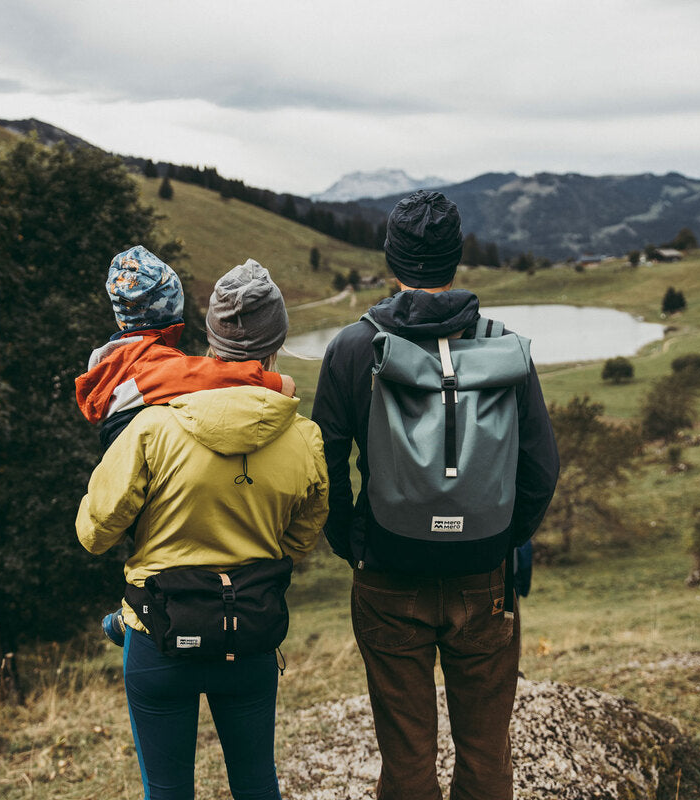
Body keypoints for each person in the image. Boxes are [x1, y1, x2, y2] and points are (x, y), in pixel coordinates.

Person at [311, 191, 559, 800]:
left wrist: (356, 544)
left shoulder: (351, 346)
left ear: (392, 259)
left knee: (406, 757)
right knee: (485, 754)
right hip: (484, 577)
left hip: (388, 573)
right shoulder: (506, 347)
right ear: (457, 258)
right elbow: (541, 470)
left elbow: (324, 465)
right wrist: (499, 538)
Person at [77, 259, 328, 800]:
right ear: (276, 343)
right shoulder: (305, 437)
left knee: (166, 793)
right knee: (258, 785)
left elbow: (94, 534)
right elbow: (299, 543)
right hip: (250, 636)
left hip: (157, 637)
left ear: (209, 340)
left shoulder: (150, 427)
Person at [74, 245, 297, 645]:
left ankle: (132, 618)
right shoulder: (158, 369)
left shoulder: (110, 361)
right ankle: (135, 617)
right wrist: (277, 384)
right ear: (174, 316)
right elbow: (213, 377)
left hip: (134, 496)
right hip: (156, 481)